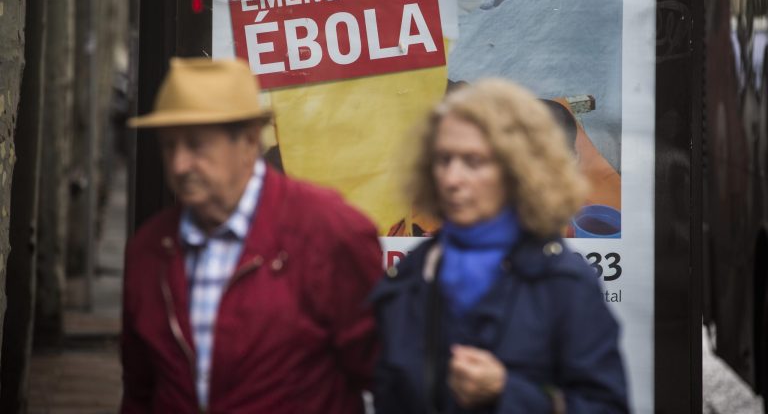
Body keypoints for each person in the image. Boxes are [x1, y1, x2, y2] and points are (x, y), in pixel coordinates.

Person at [121, 57, 382, 413]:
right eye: (169, 146)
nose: (180, 165)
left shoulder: (330, 231)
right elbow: (139, 392)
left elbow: (382, 372)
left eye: (196, 145)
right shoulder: (148, 250)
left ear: (246, 142)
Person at [372, 79, 629, 413]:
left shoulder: (561, 281)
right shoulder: (409, 276)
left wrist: (508, 392)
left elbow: (607, 406)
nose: (452, 179)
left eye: (473, 161)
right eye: (443, 159)